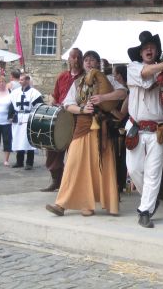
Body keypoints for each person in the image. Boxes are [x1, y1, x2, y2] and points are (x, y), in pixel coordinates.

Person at [46, 50, 126, 216]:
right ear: (83, 63)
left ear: (98, 63)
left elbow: (123, 93)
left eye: (93, 60)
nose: (89, 63)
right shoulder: (78, 83)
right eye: (87, 60)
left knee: (102, 166)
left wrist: (103, 98)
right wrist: (82, 109)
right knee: (73, 164)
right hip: (82, 126)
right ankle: (62, 204)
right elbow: (67, 105)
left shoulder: (108, 79)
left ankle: (104, 204)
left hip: (102, 129)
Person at [126, 30, 163, 228]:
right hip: (135, 127)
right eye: (145, 48)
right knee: (134, 169)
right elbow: (146, 74)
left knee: (153, 173)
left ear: (157, 51)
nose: (148, 50)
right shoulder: (133, 68)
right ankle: (150, 200)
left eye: (152, 47)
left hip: (158, 130)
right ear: (141, 53)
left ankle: (145, 211)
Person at [40, 48, 84, 192]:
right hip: (60, 118)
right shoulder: (62, 76)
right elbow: (55, 96)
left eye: (78, 57)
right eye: (73, 57)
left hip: (77, 117)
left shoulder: (85, 77)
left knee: (74, 153)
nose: (76, 60)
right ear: (69, 60)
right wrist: (53, 107)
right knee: (52, 149)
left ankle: (70, 185)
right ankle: (56, 181)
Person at [8, 74, 43, 170]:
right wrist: (10, 115)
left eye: (22, 80)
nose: (20, 81)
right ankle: (19, 162)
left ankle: (29, 163)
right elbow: (11, 105)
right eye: (20, 79)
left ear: (27, 81)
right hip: (18, 117)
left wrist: (36, 118)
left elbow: (40, 106)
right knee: (18, 139)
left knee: (28, 140)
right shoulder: (15, 93)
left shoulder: (34, 93)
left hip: (28, 117)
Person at [110, 64, 129, 193]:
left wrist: (108, 107)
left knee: (120, 157)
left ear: (120, 76)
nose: (113, 77)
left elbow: (121, 115)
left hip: (123, 128)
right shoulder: (116, 90)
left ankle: (119, 184)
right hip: (117, 127)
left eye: (114, 74)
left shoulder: (128, 92)